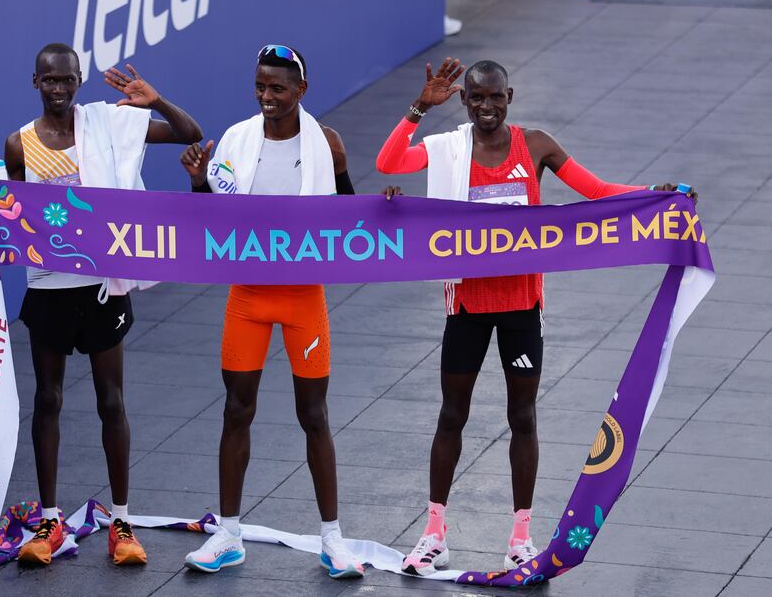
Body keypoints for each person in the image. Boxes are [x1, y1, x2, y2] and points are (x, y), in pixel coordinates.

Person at [376, 58, 695, 575]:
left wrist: (655, 197)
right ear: (463, 102)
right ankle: (434, 533)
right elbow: (390, 163)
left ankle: (520, 538)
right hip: (467, 306)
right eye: (475, 98)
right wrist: (418, 108)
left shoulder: (537, 145)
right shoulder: (451, 147)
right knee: (451, 415)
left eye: (494, 97)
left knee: (522, 417)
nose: (485, 107)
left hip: (522, 306)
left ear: (510, 97)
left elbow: (596, 192)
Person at [0, 43, 202, 566]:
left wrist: (157, 100)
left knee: (111, 402)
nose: (59, 89)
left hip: (102, 286)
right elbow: (5, 217)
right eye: (49, 81)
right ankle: (50, 523)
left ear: (78, 81)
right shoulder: (19, 144)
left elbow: (189, 134)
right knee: (49, 401)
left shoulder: (108, 124)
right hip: (49, 287)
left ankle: (121, 523)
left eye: (68, 80)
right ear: (34, 82)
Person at [178, 44, 363, 579]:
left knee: (314, 415)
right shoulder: (236, 138)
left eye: (277, 88)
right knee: (237, 409)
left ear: (301, 90)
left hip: (304, 297)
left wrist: (358, 184)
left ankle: (334, 541)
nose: (266, 96)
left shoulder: (325, 143)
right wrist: (196, 180)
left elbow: (350, 219)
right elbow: (208, 221)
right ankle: (227, 534)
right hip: (249, 297)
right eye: (259, 86)